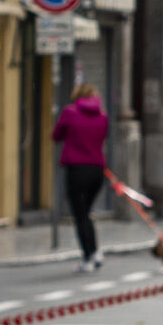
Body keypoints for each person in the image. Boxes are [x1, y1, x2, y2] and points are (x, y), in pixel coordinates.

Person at [52, 82, 111, 272]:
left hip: (76, 170)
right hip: (97, 171)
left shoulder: (70, 112)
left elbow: (56, 135)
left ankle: (89, 256)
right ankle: (95, 251)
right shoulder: (103, 116)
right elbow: (104, 136)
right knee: (86, 212)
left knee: (80, 215)